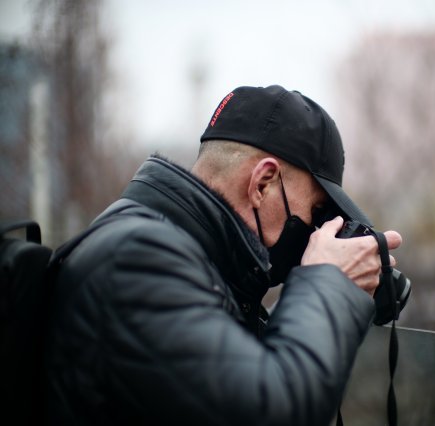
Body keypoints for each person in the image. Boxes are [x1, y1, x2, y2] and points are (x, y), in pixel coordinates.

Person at [45, 85, 402, 425]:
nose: (315, 229)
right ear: (262, 184)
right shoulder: (136, 261)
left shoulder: (191, 265)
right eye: (317, 210)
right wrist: (328, 283)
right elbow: (271, 412)